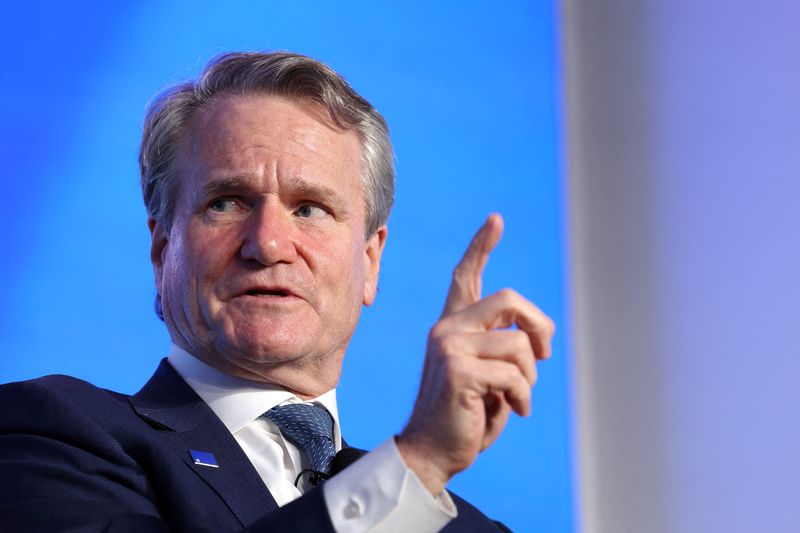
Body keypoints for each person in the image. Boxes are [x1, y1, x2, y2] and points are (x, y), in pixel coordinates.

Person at [0, 51, 554, 532]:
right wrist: (417, 464)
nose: (267, 243)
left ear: (369, 259)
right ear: (163, 249)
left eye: (310, 208)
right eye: (226, 202)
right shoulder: (48, 436)